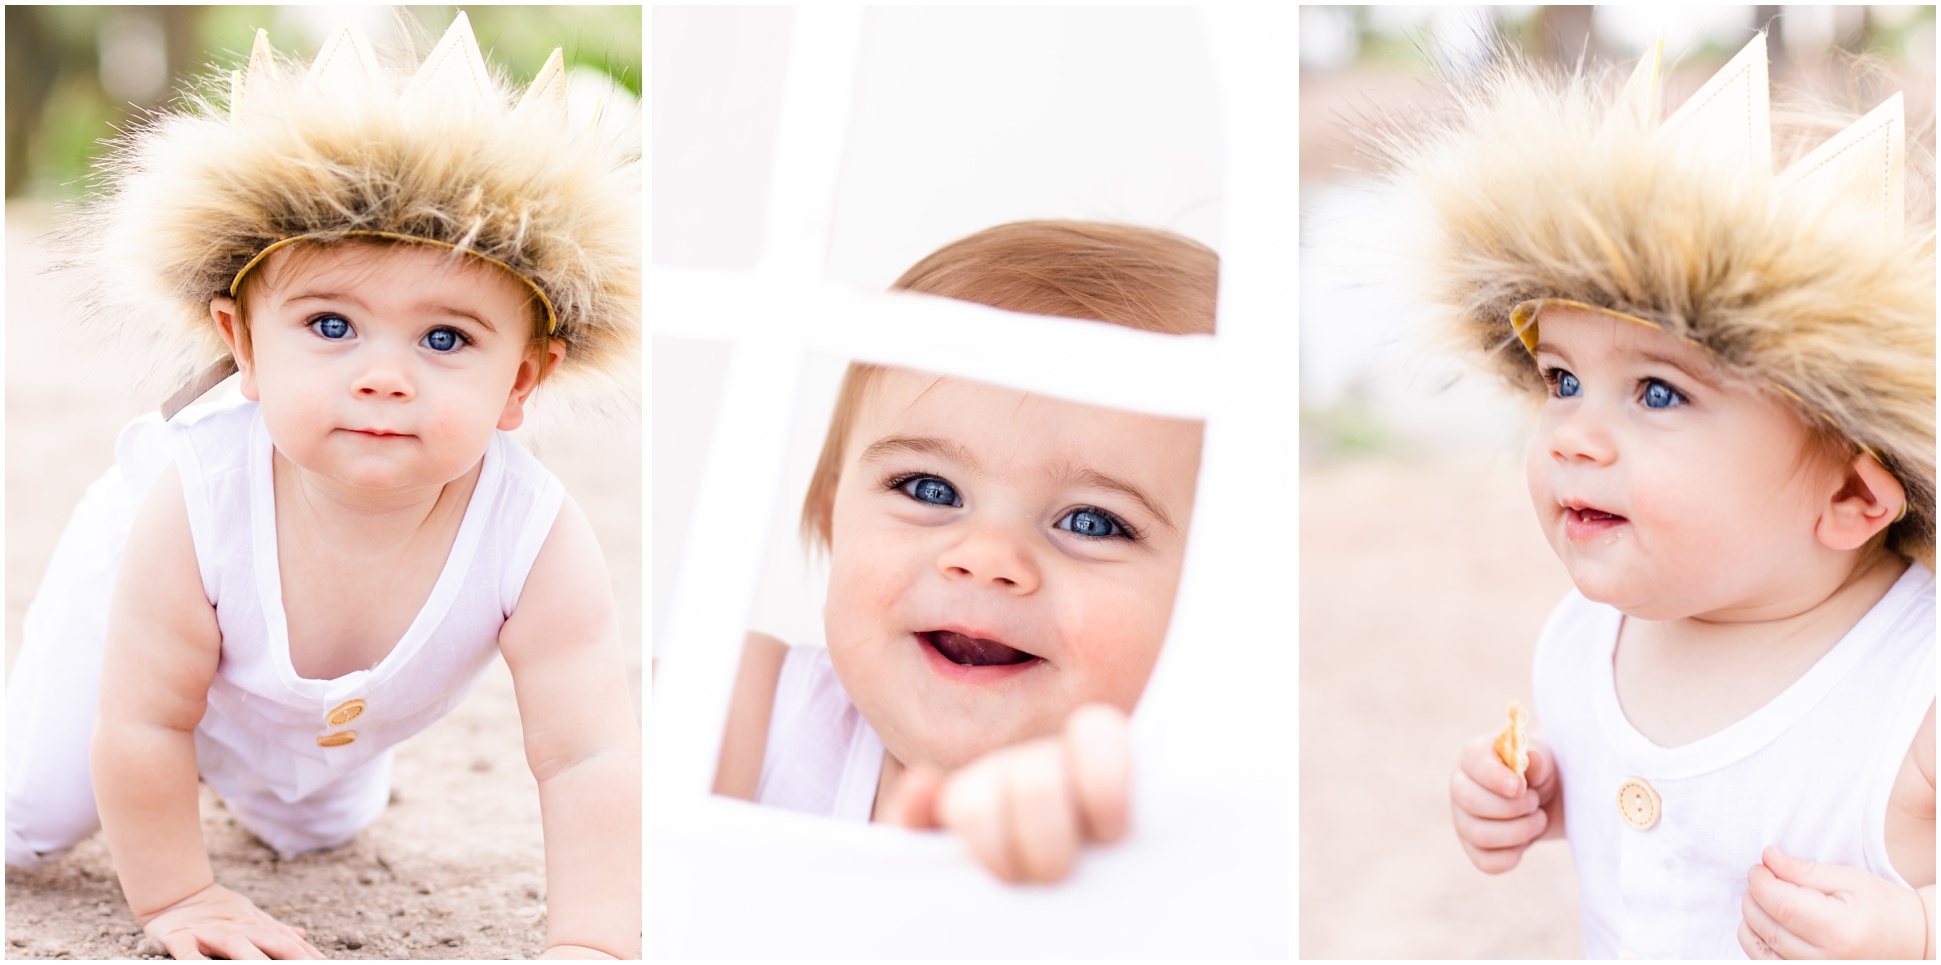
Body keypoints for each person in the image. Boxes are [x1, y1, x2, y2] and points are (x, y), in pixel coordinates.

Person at [4, 15, 640, 959]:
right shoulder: (192, 497)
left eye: (445, 338)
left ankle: (284, 764)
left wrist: (593, 943)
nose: (384, 375)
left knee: (314, 819)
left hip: (331, 708)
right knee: (32, 813)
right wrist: (180, 896)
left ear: (522, 383)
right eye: (333, 325)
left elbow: (588, 753)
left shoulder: (535, 533)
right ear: (243, 345)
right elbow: (144, 718)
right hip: (144, 632)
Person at [1398, 34, 1935, 959]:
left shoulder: (1910, 685)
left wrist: (1917, 930)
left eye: (1657, 393)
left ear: (1851, 495)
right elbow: (1651, 809)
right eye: (1561, 379)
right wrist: (1541, 800)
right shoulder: (1582, 636)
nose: (1569, 432)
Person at [710, 220, 1215, 883]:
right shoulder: (750, 713)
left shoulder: (1186, 822)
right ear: (835, 521)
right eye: (929, 488)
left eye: (1092, 522)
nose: (984, 557)